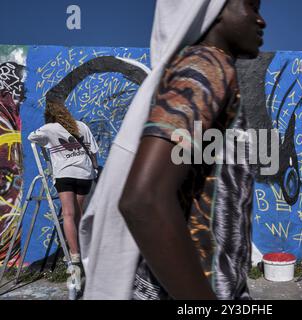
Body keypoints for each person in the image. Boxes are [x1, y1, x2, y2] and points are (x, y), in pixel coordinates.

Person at [118, 0, 265, 300]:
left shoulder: (200, 67)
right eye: (251, 6)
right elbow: (144, 200)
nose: (261, 21)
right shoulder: (207, 66)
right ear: (214, 10)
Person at [28, 101, 99, 267]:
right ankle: (85, 251)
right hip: (84, 174)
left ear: (50, 116)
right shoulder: (82, 126)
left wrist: (49, 142)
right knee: (78, 214)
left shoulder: (50, 128)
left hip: (65, 174)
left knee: (67, 214)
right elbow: (94, 152)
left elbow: (32, 137)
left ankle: (74, 256)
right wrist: (94, 168)